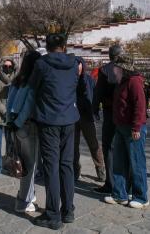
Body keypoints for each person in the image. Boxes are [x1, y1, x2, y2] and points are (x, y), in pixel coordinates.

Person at [30, 33, 85, 230]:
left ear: (47, 46)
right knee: (66, 165)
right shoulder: (74, 64)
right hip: (69, 119)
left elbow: (32, 87)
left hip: (49, 120)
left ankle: (53, 214)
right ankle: (68, 210)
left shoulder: (42, 64)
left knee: (51, 167)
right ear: (64, 45)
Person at [103, 54, 149, 209]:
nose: (114, 70)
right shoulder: (121, 82)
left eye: (116, 67)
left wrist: (136, 127)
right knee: (119, 162)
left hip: (133, 129)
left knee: (137, 163)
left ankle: (141, 197)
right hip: (121, 127)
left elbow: (139, 106)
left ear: (122, 69)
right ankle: (119, 194)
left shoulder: (134, 81)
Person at [6, 50, 42, 213]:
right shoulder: (33, 82)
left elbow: (9, 104)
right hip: (27, 125)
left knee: (25, 162)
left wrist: (11, 123)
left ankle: (28, 194)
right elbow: (28, 105)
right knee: (29, 165)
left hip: (15, 125)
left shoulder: (17, 80)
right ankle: (23, 201)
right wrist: (18, 123)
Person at [93, 43, 126, 194]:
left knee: (109, 147)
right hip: (125, 113)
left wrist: (95, 109)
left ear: (110, 55)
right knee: (125, 147)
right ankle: (126, 185)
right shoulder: (128, 69)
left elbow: (98, 92)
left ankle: (111, 183)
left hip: (110, 112)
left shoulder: (104, 70)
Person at [74, 57, 106, 182]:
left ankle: (100, 170)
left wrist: (95, 111)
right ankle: (75, 170)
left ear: (83, 66)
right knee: (73, 146)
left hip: (87, 116)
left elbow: (95, 96)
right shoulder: (70, 80)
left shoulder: (89, 80)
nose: (77, 68)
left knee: (94, 144)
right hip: (73, 117)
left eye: (79, 66)